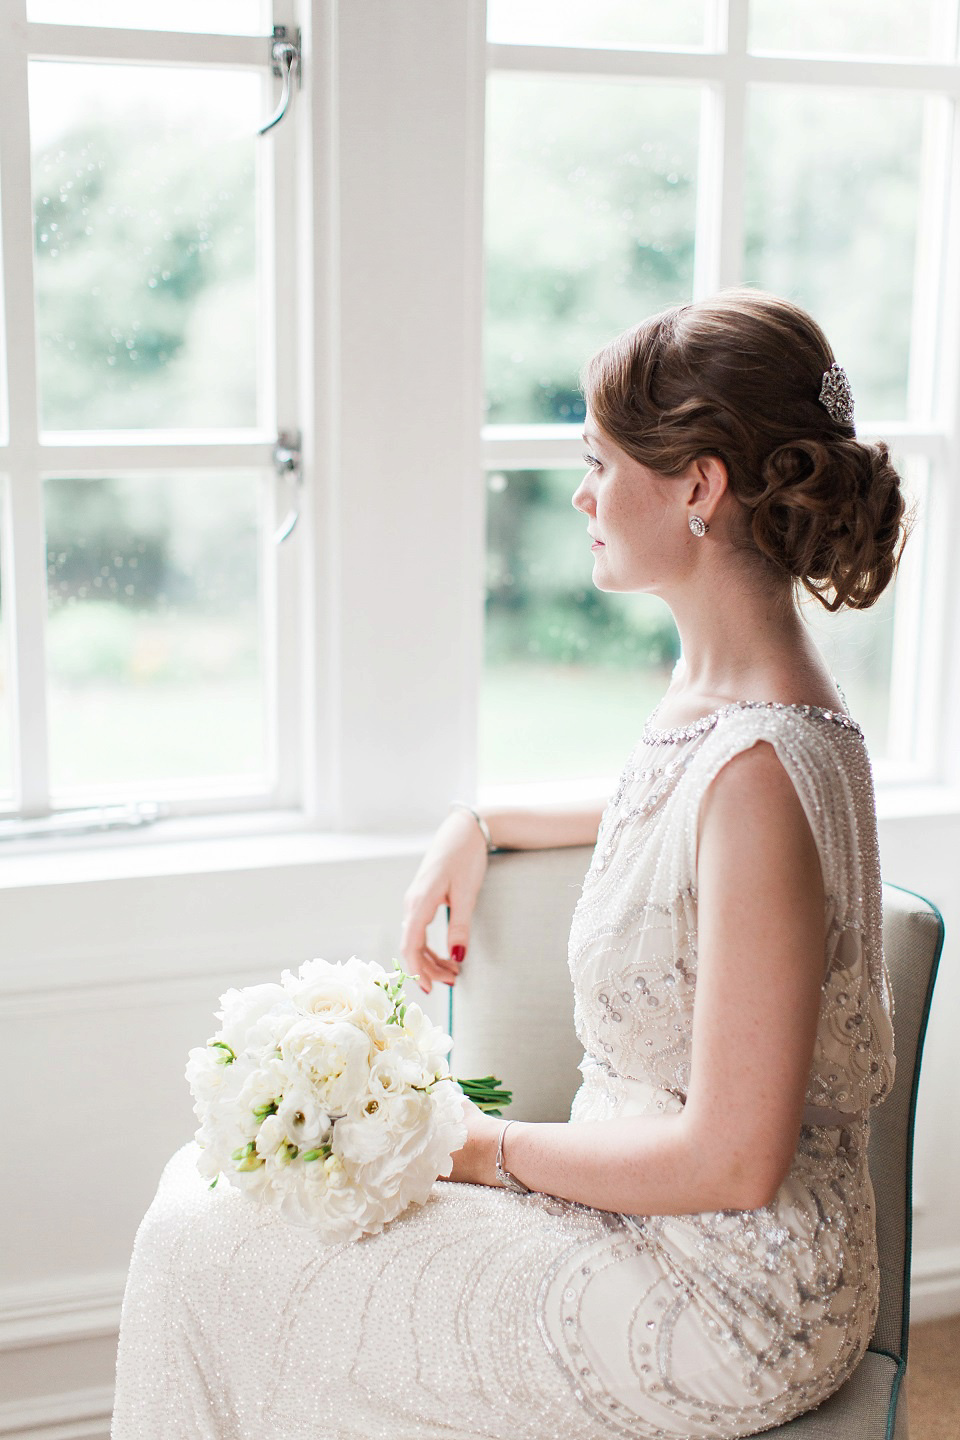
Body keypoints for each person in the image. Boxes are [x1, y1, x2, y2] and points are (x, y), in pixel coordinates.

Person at [111, 289, 908, 1440]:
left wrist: (471, 1147)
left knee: (209, 1245)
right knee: (208, 1214)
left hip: (725, 1293)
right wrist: (482, 822)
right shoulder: (733, 708)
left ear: (698, 486)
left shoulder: (764, 775)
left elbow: (734, 1162)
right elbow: (667, 813)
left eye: (600, 461)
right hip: (662, 1232)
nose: (581, 494)